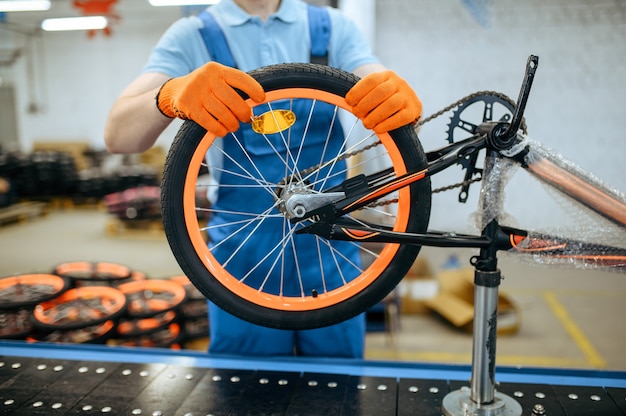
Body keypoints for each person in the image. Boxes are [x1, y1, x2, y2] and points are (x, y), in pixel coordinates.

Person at [104, 0, 421, 358]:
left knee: (338, 387)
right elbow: (118, 137)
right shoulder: (192, 34)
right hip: (242, 260)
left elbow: (376, 82)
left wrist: (392, 96)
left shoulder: (332, 27)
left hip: (330, 253)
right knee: (245, 391)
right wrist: (168, 96)